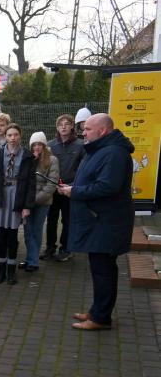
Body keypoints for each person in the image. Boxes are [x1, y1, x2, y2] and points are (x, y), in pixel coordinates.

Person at [57, 114, 134, 331]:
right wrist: (71, 187)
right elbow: (90, 179)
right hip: (98, 222)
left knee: (104, 271)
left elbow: (107, 187)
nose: (84, 132)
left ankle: (101, 318)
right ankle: (97, 310)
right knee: (99, 269)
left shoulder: (114, 153)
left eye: (88, 129)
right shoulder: (101, 149)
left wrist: (75, 191)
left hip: (106, 223)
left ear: (102, 131)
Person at [0, 124, 36, 285]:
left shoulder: (27, 156)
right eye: (9, 135)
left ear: (20, 135)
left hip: (17, 197)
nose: (12, 138)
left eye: (15, 134)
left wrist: (27, 206)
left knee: (12, 237)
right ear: (6, 137)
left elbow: (31, 183)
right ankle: (0, 269)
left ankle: (11, 270)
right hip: (1, 197)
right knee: (1, 236)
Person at [46, 114, 85, 262]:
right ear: (56, 127)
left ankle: (66, 248)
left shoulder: (81, 145)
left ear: (72, 127)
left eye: (67, 123)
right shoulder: (50, 145)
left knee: (68, 220)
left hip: (70, 189)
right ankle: (50, 247)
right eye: (60, 124)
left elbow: (84, 170)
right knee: (51, 220)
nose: (63, 126)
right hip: (53, 189)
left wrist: (72, 186)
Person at [20, 132, 59, 272]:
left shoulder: (52, 160)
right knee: (27, 231)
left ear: (44, 145)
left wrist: (34, 200)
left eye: (39, 144)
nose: (36, 147)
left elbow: (51, 184)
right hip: (28, 202)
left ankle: (33, 261)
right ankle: (30, 258)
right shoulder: (28, 158)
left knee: (36, 230)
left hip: (42, 202)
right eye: (34, 144)